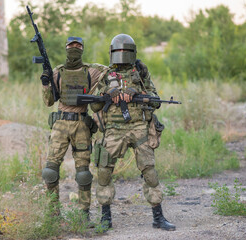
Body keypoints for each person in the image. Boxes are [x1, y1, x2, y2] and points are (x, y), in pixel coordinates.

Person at [91, 34, 176, 231]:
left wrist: (138, 94)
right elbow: (94, 105)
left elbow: (156, 101)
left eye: (125, 51)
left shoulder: (141, 73)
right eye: (118, 51)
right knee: (104, 171)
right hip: (113, 131)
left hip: (139, 128)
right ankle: (105, 218)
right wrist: (107, 95)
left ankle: (158, 217)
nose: (121, 55)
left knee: (150, 172)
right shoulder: (106, 75)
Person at [41, 36, 108, 221]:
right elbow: (48, 102)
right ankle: (53, 215)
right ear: (66, 48)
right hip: (60, 123)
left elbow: (110, 72)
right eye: (71, 45)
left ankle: (83, 216)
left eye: (78, 46)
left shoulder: (91, 71)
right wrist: (45, 83)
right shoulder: (57, 72)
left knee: (84, 174)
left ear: (82, 49)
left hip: (81, 124)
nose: (74, 48)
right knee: (50, 171)